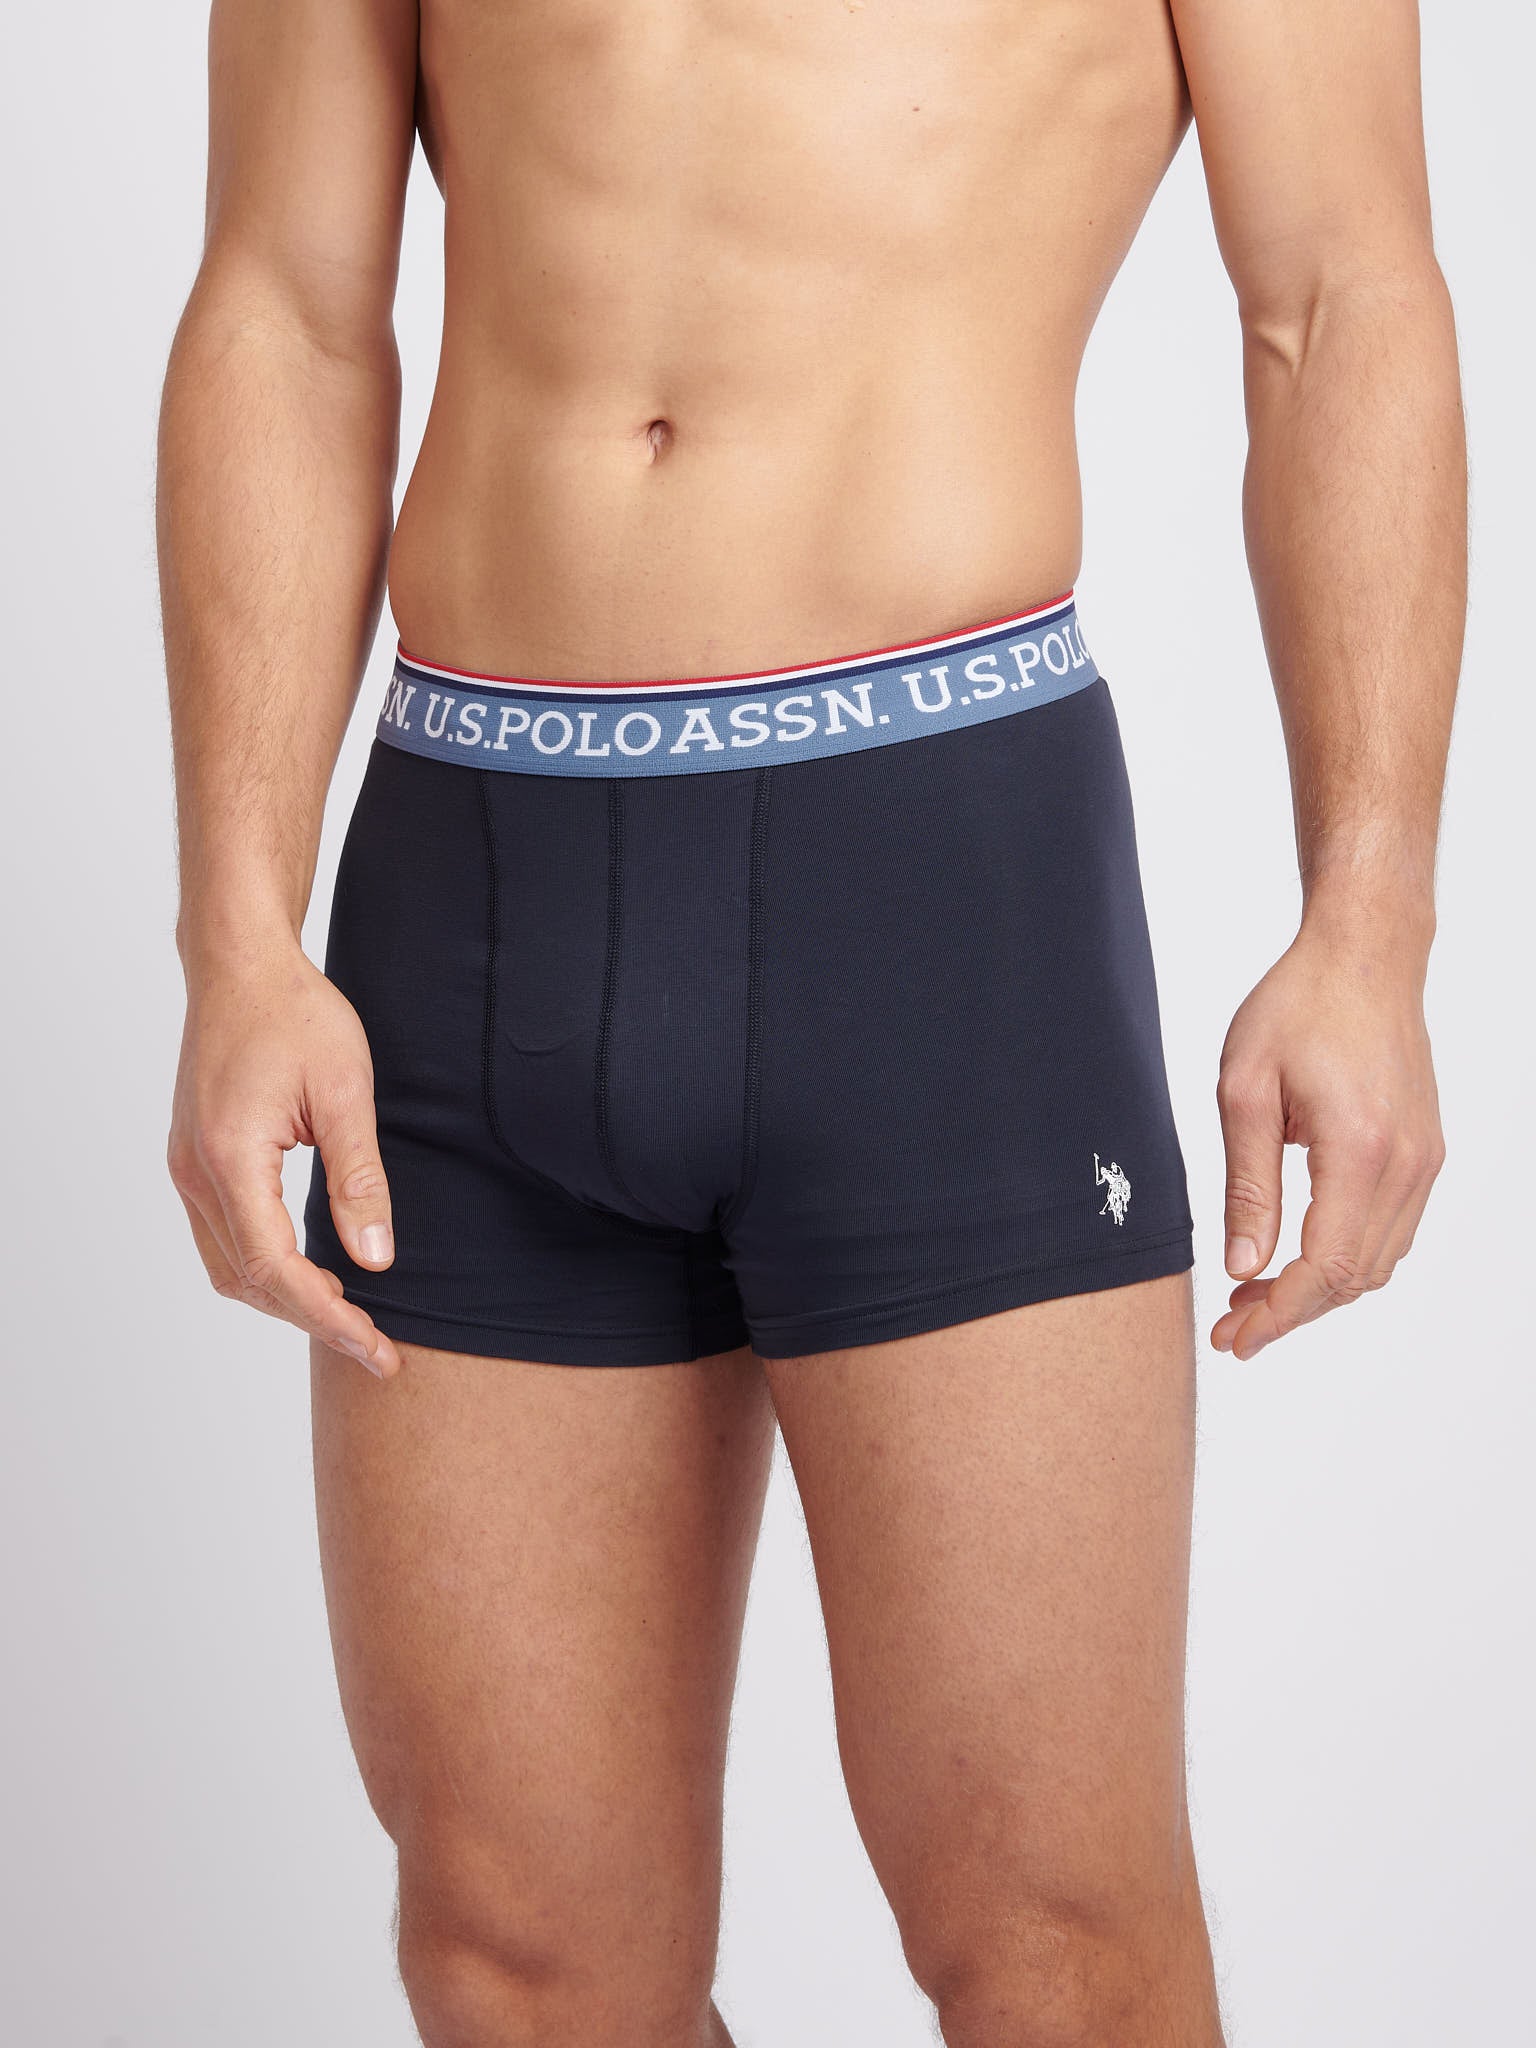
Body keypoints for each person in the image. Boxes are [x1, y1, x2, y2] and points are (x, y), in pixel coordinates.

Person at [158, 0, 1462, 2040]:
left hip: (934, 883)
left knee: (1055, 1947)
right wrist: (238, 933)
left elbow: (1340, 295)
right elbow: (288, 306)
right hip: (474, 888)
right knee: (518, 1961)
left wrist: (1368, 919)